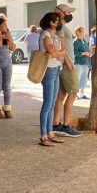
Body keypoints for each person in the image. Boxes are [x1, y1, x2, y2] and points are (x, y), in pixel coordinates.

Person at [38, 12, 67, 147]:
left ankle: (50, 133)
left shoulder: (53, 35)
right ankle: (43, 136)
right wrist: (61, 53)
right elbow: (53, 53)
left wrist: (59, 53)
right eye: (57, 20)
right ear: (51, 22)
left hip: (56, 69)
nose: (59, 22)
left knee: (52, 103)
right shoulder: (45, 35)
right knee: (47, 104)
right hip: (49, 70)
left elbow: (58, 52)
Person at [53, 4, 81, 137]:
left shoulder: (63, 27)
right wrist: (68, 64)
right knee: (73, 93)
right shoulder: (60, 29)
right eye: (68, 11)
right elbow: (61, 47)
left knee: (61, 96)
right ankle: (66, 125)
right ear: (62, 13)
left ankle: (55, 124)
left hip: (65, 65)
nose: (70, 14)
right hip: (67, 66)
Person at [0, 17, 16, 119]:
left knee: (7, 87)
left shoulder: (7, 33)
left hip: (7, 63)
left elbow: (12, 47)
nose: (6, 27)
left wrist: (9, 38)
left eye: (6, 25)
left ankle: (7, 108)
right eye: (4, 25)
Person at [73, 26, 92, 100]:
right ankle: (75, 94)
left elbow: (88, 51)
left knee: (84, 79)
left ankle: (82, 94)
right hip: (79, 63)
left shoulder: (84, 41)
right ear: (78, 32)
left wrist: (89, 54)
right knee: (77, 78)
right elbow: (75, 53)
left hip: (86, 63)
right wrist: (84, 53)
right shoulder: (75, 42)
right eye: (82, 31)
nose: (84, 33)